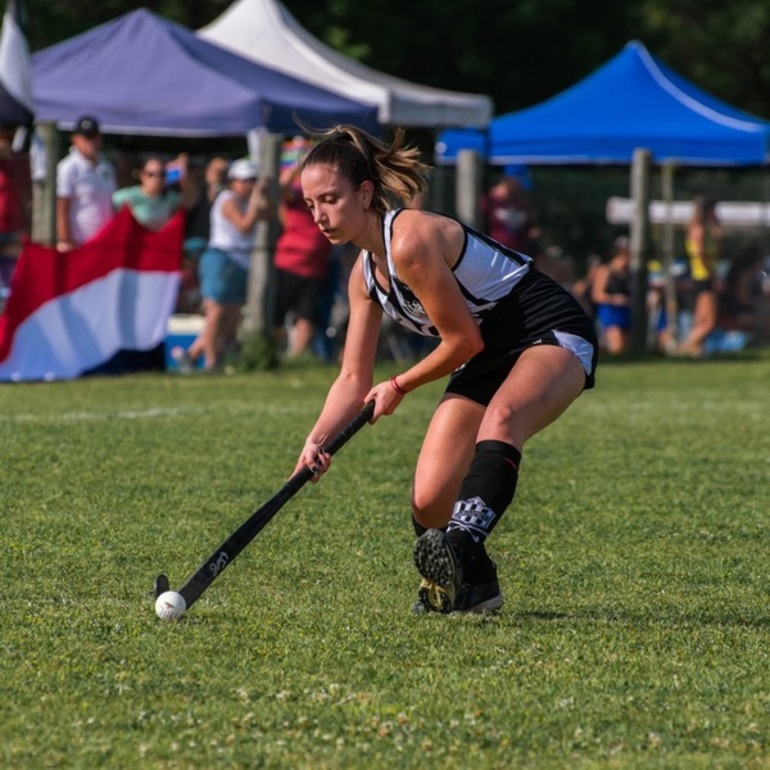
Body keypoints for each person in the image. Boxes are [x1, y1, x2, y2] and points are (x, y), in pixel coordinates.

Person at [294, 126, 598, 615]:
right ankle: (475, 585)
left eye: (330, 199)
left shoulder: (409, 239)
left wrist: (399, 385)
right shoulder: (364, 276)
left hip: (544, 328)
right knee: (430, 500)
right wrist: (316, 441)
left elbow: (462, 341)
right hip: (484, 352)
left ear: (365, 192)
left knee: (503, 419)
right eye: (311, 204)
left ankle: (455, 554)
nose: (320, 215)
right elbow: (352, 377)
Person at [172, 158, 270, 372]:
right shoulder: (227, 199)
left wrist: (265, 195)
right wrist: (256, 198)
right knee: (216, 314)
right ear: (234, 181)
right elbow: (244, 225)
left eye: (253, 180)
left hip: (238, 261)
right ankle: (210, 362)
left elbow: (269, 216)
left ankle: (191, 355)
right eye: (246, 181)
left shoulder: (246, 201)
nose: (250, 185)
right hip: (222, 258)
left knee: (230, 318)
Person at [272, 137, 333, 358]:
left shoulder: (324, 193)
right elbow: (280, 189)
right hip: (288, 263)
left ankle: (295, 360)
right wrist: (299, 163)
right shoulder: (297, 193)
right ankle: (272, 354)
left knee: (306, 317)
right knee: (276, 316)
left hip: (315, 267)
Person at [56, 115, 116, 251]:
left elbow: (110, 204)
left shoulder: (107, 167)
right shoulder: (68, 167)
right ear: (75, 140)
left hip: (103, 243)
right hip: (78, 243)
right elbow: (61, 208)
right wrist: (65, 240)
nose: (91, 142)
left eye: (94, 137)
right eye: (86, 137)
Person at [678, 195, 721, 356]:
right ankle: (683, 348)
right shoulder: (700, 230)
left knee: (700, 320)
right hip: (704, 276)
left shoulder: (697, 228)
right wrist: (714, 276)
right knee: (708, 323)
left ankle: (695, 351)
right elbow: (702, 256)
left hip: (699, 276)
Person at [112, 154, 197, 231]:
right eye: (151, 174)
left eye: (161, 174)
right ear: (142, 175)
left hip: (159, 245)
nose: (156, 179)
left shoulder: (170, 198)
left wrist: (184, 176)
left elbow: (190, 202)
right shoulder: (125, 197)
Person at [480, 166, 538, 255]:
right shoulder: (489, 201)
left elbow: (530, 227)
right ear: (509, 180)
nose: (521, 188)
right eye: (519, 184)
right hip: (494, 254)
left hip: (518, 255)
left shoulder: (521, 203)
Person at [591, 236, 632, 355]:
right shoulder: (606, 270)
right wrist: (615, 299)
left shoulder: (629, 272)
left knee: (626, 344)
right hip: (610, 310)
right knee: (616, 342)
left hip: (626, 310)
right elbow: (597, 294)